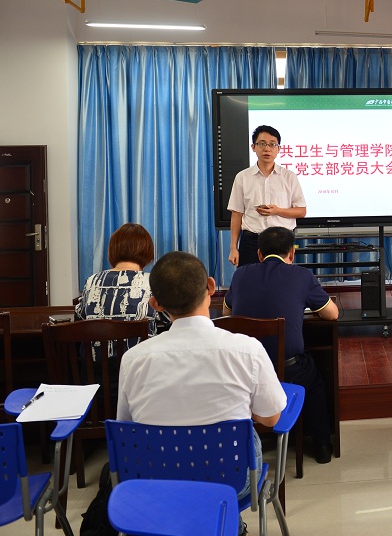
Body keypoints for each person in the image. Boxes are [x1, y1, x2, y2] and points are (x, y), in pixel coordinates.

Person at [117, 251, 288, 511]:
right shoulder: (247, 350)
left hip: (157, 478)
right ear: (211, 286)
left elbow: (127, 428)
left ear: (155, 304)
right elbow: (271, 418)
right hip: (232, 480)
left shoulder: (133, 359)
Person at [223, 226, 339, 464]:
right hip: (287, 370)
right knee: (315, 380)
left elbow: (227, 314)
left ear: (259, 254)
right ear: (292, 254)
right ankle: (321, 446)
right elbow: (332, 314)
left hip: (245, 370)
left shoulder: (240, 275)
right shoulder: (302, 276)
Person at [75, 222, 162, 359]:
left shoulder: (92, 281)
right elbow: (167, 318)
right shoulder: (153, 282)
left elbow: (80, 316)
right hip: (139, 367)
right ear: (148, 252)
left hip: (95, 368)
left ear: (112, 250)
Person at [227, 125, 307, 267]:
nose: (267, 149)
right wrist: (233, 248)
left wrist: (277, 211)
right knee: (250, 280)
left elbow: (301, 211)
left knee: (281, 280)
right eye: (262, 144)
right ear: (253, 147)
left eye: (272, 144)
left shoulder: (289, 177)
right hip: (252, 241)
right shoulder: (242, 177)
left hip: (282, 241)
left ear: (278, 149)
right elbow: (236, 213)